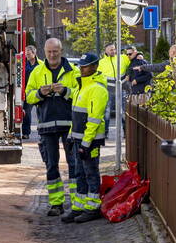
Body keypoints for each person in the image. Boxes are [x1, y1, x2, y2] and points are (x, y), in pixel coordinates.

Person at [25, 38, 77, 216]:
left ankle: (77, 203)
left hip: (69, 124)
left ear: (61, 51)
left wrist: (65, 91)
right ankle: (56, 203)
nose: (52, 55)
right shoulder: (37, 72)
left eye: (55, 52)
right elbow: (28, 96)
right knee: (51, 165)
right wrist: (40, 93)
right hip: (47, 125)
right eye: (49, 52)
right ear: (44, 52)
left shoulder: (73, 71)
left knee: (74, 163)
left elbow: (79, 94)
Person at [62, 53, 109, 224]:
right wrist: (70, 137)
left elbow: (94, 120)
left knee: (91, 173)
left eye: (86, 66)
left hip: (90, 141)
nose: (82, 69)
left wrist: (86, 144)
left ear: (95, 67)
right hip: (78, 140)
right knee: (79, 173)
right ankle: (79, 206)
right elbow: (76, 117)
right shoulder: (81, 86)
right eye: (81, 66)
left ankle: (93, 208)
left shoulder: (97, 89)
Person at [100, 43, 130, 134]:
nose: (113, 51)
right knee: (107, 112)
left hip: (121, 88)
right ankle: (105, 132)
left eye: (114, 49)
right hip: (108, 90)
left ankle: (126, 132)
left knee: (123, 111)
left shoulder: (123, 58)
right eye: (110, 49)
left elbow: (133, 60)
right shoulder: (101, 62)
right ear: (106, 51)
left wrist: (140, 55)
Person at [21, 44, 39, 139]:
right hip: (29, 92)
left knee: (41, 112)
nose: (27, 56)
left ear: (34, 53)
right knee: (26, 113)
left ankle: (43, 131)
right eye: (26, 54)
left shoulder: (41, 64)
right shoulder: (24, 64)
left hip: (39, 92)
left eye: (28, 54)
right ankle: (26, 133)